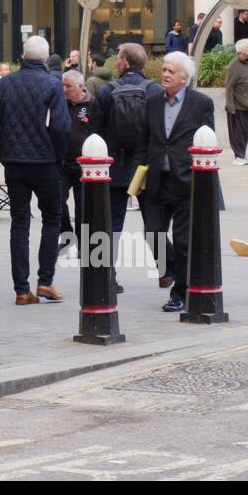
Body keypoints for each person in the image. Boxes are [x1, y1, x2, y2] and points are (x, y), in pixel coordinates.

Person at [0, 36, 71, 305]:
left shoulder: (3, 84)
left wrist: (4, 152)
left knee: (19, 223)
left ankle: (22, 289)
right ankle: (45, 281)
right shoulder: (52, 84)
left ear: (23, 56)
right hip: (45, 162)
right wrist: (58, 157)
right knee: (52, 218)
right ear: (46, 59)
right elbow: (61, 126)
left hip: (14, 163)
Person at [141, 52, 216, 314]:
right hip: (156, 181)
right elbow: (145, 139)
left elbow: (208, 140)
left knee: (184, 241)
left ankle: (179, 293)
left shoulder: (201, 103)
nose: (165, 74)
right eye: (163, 69)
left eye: (171, 71)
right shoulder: (151, 102)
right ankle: (170, 268)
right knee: (152, 233)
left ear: (185, 78)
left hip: (186, 181)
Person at [96, 43, 163, 252]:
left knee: (113, 224)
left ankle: (110, 276)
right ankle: (165, 271)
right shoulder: (155, 90)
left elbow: (96, 131)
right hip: (146, 167)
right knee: (153, 224)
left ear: (124, 62)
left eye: (118, 58)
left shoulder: (107, 91)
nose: (116, 62)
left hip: (116, 166)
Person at [59, 69, 104, 261]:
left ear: (80, 86)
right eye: (63, 85)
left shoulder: (93, 105)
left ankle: (82, 244)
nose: (65, 90)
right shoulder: (61, 104)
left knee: (82, 207)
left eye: (68, 86)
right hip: (62, 163)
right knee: (56, 199)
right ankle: (66, 233)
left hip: (83, 166)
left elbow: (99, 131)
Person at [224, 38, 248, 166]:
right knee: (239, 131)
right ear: (241, 51)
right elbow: (229, 86)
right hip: (239, 105)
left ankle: (240, 151)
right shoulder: (233, 66)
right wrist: (230, 105)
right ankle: (239, 156)